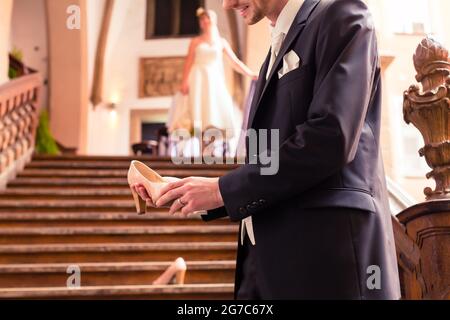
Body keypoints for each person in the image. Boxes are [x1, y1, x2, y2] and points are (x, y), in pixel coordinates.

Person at [134, 0, 401, 300]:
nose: (227, 4)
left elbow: (330, 137)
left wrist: (222, 190)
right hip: (265, 264)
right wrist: (190, 191)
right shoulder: (271, 56)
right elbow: (269, 162)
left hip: (327, 265)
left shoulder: (342, 14)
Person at [167, 8, 257, 147]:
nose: (204, 21)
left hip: (213, 80)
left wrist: (250, 73)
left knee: (213, 113)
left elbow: (235, 62)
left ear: (212, 20)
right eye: (201, 19)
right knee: (198, 111)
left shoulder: (221, 42)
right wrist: (184, 82)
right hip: (197, 78)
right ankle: (201, 149)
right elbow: (188, 62)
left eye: (206, 18)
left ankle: (210, 148)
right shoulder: (195, 41)